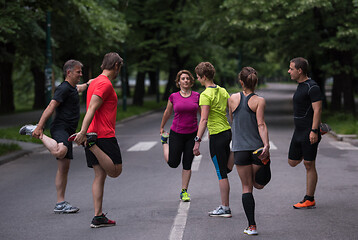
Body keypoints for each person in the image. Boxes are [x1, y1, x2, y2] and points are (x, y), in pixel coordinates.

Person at [19, 60, 91, 213]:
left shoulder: (72, 88)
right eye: (78, 72)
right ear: (69, 73)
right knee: (60, 151)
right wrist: (40, 126)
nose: (81, 74)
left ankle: (60, 203)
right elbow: (51, 106)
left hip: (69, 131)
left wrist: (92, 83)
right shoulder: (63, 88)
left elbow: (82, 86)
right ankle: (36, 132)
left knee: (64, 168)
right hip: (60, 128)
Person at [72, 52, 123, 228]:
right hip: (103, 135)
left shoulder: (96, 82)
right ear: (116, 66)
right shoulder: (105, 84)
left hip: (94, 133)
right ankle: (92, 145)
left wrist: (82, 85)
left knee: (99, 175)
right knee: (115, 171)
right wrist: (83, 133)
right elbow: (92, 108)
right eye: (119, 68)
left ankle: (98, 216)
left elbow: (92, 82)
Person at [229, 66, 270, 235]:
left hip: (240, 149)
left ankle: (251, 226)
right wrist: (266, 145)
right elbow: (261, 124)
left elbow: (232, 120)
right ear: (255, 82)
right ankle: (266, 162)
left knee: (247, 187)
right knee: (259, 184)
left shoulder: (232, 98)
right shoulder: (259, 101)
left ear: (241, 82)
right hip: (257, 149)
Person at [193, 62, 232, 217]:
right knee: (225, 167)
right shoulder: (223, 90)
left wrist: (197, 140)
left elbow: (203, 120)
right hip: (226, 131)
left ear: (204, 77)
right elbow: (231, 109)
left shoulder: (205, 95)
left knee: (221, 172)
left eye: (198, 77)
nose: (197, 80)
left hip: (216, 135)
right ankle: (236, 152)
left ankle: (225, 207)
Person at [160, 70, 200, 202]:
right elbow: (167, 111)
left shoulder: (196, 96)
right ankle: (164, 142)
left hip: (192, 134)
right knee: (173, 163)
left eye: (188, 78)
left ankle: (184, 191)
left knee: (187, 164)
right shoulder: (173, 96)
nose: (186, 80)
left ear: (191, 81)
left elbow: (203, 115)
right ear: (178, 82)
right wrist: (162, 127)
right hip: (176, 134)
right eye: (183, 79)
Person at [287, 57, 322, 209]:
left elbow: (318, 109)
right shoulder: (301, 85)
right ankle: (319, 133)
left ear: (299, 70)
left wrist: (314, 130)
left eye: (291, 68)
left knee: (309, 164)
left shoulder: (312, 87)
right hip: (299, 131)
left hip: (309, 131)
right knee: (292, 162)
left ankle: (309, 199)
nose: (289, 71)